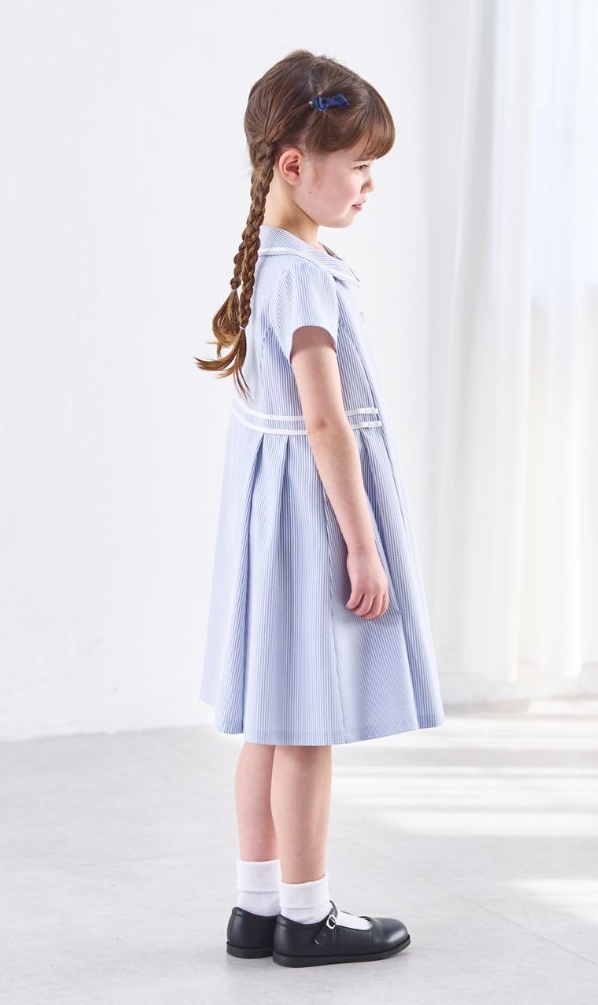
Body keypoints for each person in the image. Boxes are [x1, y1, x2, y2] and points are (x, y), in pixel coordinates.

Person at [194, 49, 445, 967]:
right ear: (295, 164)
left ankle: (255, 906)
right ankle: (307, 916)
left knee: (271, 720)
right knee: (306, 723)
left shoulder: (272, 260)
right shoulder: (302, 276)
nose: (370, 185)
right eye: (360, 166)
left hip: (271, 514)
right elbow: (326, 420)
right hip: (310, 517)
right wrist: (363, 544)